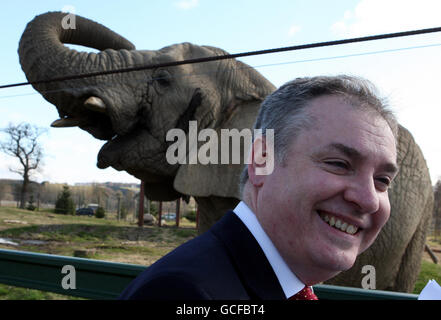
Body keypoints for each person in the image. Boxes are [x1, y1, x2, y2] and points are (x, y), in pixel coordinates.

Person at [119, 75, 399, 300]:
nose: (369, 200)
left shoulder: (286, 287)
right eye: (339, 164)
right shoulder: (182, 293)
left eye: (382, 180)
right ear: (260, 161)